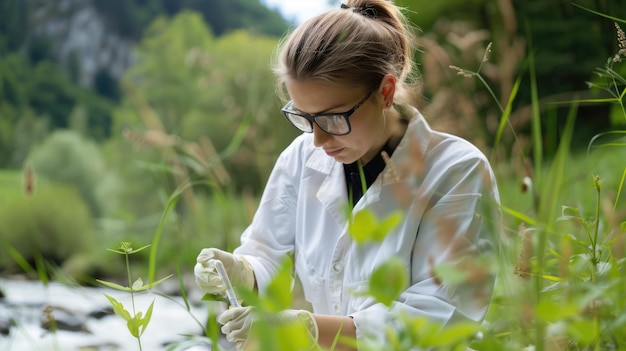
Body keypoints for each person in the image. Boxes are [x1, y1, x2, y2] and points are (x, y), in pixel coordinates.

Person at [194, 0, 501, 350]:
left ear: (385, 92)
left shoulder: (456, 171)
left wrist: (308, 330)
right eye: (304, 117)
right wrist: (242, 271)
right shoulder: (301, 157)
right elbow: (268, 255)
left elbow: (441, 315)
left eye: (333, 118)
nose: (318, 139)